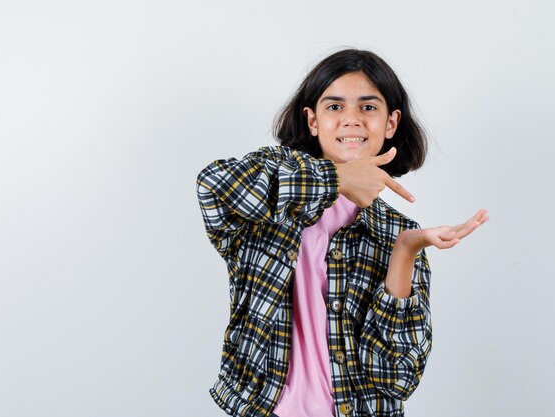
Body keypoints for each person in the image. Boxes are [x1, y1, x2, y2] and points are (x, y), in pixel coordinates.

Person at [195, 48, 488, 417]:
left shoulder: (398, 231)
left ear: (391, 123)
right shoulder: (272, 180)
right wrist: (336, 178)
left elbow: (396, 378)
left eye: (368, 107)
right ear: (312, 120)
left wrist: (405, 251)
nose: (351, 120)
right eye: (334, 107)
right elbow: (213, 187)